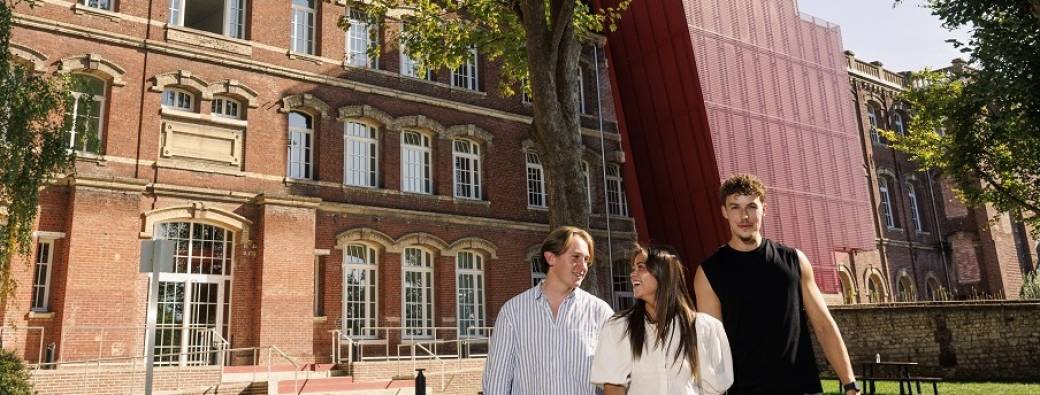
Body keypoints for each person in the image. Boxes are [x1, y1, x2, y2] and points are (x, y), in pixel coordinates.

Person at [694, 173, 861, 395]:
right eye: (735, 207)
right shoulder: (709, 272)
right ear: (724, 212)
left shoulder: (794, 260)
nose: (744, 216)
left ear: (764, 209)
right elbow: (711, 346)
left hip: (802, 387)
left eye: (752, 206)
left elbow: (823, 324)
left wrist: (850, 385)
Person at [482, 226, 615, 394]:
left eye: (586, 260)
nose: (583, 267)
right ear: (551, 258)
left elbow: (616, 379)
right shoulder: (513, 312)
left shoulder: (600, 313)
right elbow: (496, 382)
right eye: (576, 257)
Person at [590, 244, 733, 394]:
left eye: (641, 267)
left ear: (664, 273)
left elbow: (714, 389)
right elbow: (613, 387)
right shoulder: (619, 327)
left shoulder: (703, 328)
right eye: (633, 268)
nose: (632, 274)